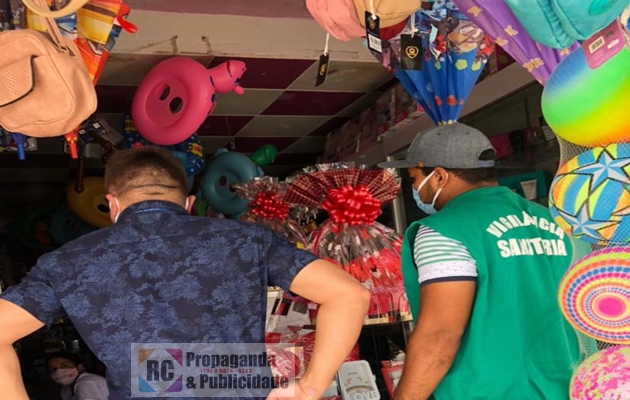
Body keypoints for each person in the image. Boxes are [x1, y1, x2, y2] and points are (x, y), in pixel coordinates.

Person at [0, 147, 370, 400]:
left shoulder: (67, 262)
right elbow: (349, 295)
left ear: (112, 204)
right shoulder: (248, 240)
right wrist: (309, 388)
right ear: (190, 203)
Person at [378, 123, 582, 400]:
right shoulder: (553, 220)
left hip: (486, 390)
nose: (415, 189)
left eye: (414, 178)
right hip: (567, 383)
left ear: (438, 176)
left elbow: (440, 334)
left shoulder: (444, 230)